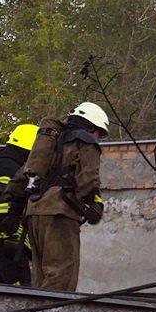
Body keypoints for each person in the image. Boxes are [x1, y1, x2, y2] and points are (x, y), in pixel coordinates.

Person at [22, 102, 109, 291]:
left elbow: (21, 176)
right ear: (92, 126)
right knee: (62, 273)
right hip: (60, 213)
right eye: (99, 133)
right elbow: (89, 178)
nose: (98, 138)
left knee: (40, 276)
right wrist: (91, 203)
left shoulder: (51, 140)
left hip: (34, 211)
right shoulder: (85, 140)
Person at [0, 123, 39, 286]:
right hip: (4, 240)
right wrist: (10, 229)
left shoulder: (7, 164)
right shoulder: (8, 166)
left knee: (4, 293)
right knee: (20, 293)